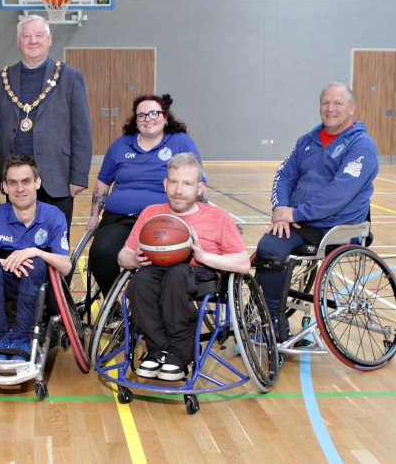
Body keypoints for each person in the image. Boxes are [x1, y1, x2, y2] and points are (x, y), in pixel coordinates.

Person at [254, 82, 379, 335]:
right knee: (267, 249)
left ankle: (272, 326)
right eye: (325, 102)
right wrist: (281, 209)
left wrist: (296, 213)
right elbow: (284, 175)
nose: (330, 108)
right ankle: (270, 321)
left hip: (335, 228)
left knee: (275, 249)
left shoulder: (362, 146)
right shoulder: (307, 141)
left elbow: (339, 193)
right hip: (299, 222)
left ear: (351, 108)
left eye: (338, 103)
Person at [118, 153, 249, 381]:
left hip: (200, 275)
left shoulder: (218, 217)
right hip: (157, 270)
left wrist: (204, 256)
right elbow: (124, 254)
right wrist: (134, 260)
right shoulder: (151, 214)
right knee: (141, 280)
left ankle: (180, 353)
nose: (179, 190)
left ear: (199, 188)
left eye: (187, 184)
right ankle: (158, 349)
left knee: (177, 274)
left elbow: (243, 262)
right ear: (165, 184)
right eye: (174, 182)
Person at [86, 93, 204, 298]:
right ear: (135, 120)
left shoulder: (180, 142)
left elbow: (195, 182)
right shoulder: (121, 144)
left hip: (165, 219)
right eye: (141, 115)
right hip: (120, 219)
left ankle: (152, 308)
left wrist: (205, 215)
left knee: (161, 261)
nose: (148, 119)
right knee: (101, 252)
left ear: (165, 117)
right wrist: (94, 216)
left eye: (154, 113)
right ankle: (113, 305)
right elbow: (103, 183)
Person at [0, 15, 92, 232]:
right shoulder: (1, 80)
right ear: (18, 41)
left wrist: (79, 176)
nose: (32, 41)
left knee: (55, 241)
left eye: (38, 35)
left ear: (49, 39)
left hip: (57, 176)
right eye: (26, 36)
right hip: (15, 179)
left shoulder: (70, 77)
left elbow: (81, 131)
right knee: (18, 238)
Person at [0, 154, 71, 361]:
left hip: (37, 285)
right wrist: (1, 261)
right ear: (4, 186)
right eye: (13, 183)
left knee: (36, 262)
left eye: (26, 181)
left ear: (37, 182)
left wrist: (35, 251)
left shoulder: (53, 215)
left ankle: (21, 338)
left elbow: (65, 266)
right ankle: (0, 340)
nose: (20, 189)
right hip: (3, 284)